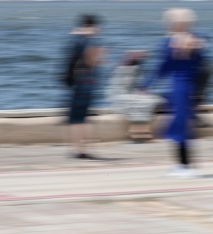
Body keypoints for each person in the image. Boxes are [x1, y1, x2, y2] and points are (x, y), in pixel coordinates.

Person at [140, 8, 208, 177]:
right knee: (181, 125)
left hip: (180, 88)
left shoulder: (174, 42)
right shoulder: (196, 40)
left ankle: (183, 166)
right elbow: (203, 66)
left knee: (179, 125)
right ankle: (184, 164)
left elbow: (163, 67)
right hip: (188, 88)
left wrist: (146, 84)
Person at [62, 14, 105, 159]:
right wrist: (100, 55)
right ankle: (83, 149)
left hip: (79, 83)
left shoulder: (76, 40)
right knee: (82, 118)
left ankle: (79, 149)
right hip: (87, 83)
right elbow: (92, 62)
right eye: (98, 26)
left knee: (77, 118)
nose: (100, 29)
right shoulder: (88, 42)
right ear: (90, 26)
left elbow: (71, 61)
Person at [107, 50, 162, 142]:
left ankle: (141, 130)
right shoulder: (121, 69)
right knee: (142, 102)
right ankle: (136, 131)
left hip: (131, 94)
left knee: (155, 100)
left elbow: (139, 86)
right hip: (120, 96)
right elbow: (118, 89)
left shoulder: (137, 69)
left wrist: (142, 93)